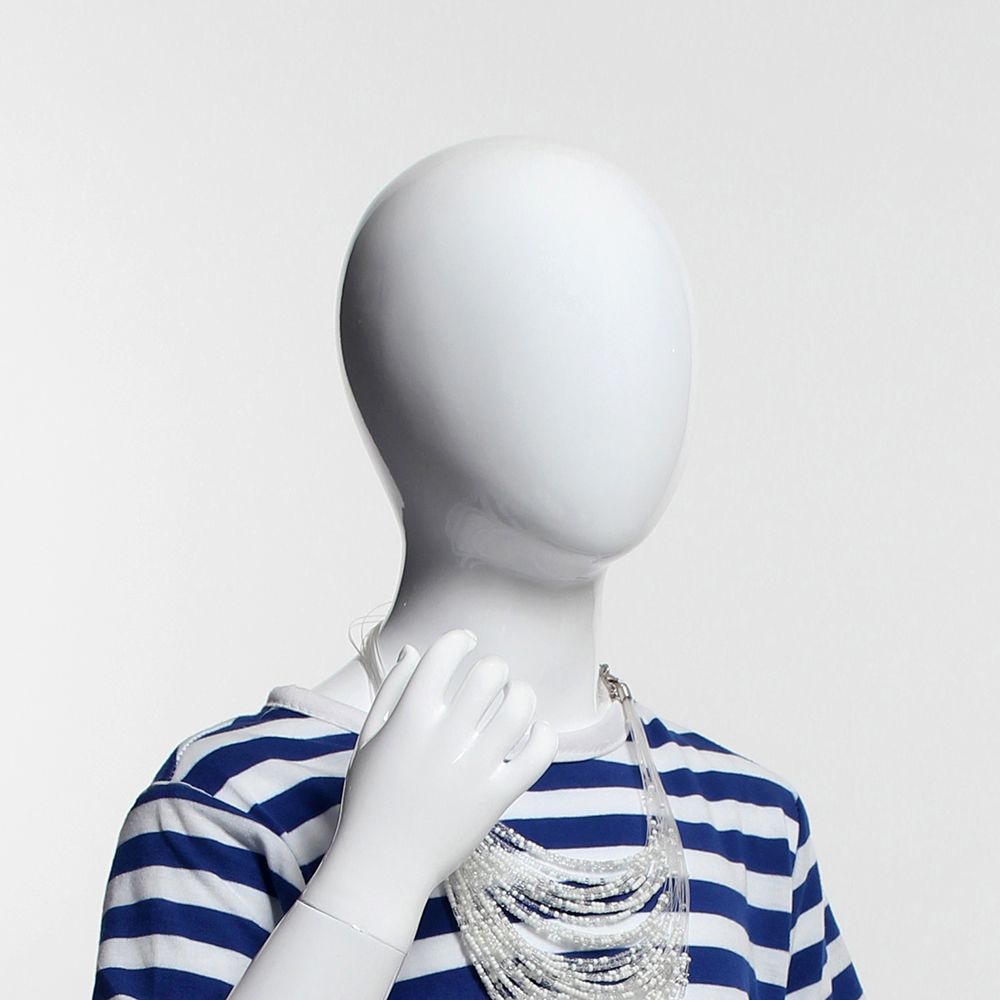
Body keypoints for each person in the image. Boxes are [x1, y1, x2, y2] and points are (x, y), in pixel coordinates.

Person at [92, 136, 864, 1000]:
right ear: (397, 366)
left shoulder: (752, 823)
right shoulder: (231, 804)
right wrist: (371, 880)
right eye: (546, 330)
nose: (616, 378)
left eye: (647, 332)